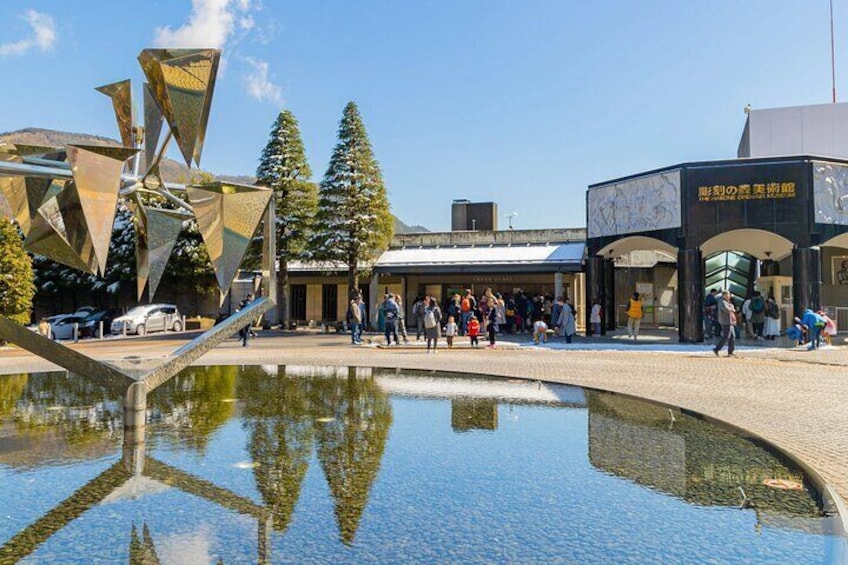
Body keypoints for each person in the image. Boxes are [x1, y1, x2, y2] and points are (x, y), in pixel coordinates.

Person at [712, 290, 737, 357]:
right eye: (727, 295)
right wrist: (731, 308)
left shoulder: (727, 302)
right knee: (726, 336)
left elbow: (732, 308)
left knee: (732, 336)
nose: (729, 296)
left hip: (730, 321)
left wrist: (731, 307)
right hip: (725, 321)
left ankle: (730, 351)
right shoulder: (722, 302)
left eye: (729, 295)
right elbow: (727, 310)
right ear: (723, 295)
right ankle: (716, 349)